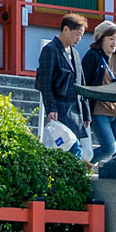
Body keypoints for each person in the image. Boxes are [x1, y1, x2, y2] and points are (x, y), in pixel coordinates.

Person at [35, 13, 91, 156]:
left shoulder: (76, 54)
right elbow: (45, 82)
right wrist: (50, 108)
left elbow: (82, 84)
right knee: (71, 150)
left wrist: (86, 113)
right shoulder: (50, 50)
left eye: (81, 35)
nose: (79, 39)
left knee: (72, 150)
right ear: (66, 29)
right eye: (77, 34)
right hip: (59, 109)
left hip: (76, 111)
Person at [83, 21, 116, 161]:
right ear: (101, 38)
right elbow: (83, 83)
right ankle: (81, 165)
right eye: (111, 38)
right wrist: (85, 112)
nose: (115, 42)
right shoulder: (93, 56)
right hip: (99, 110)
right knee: (109, 148)